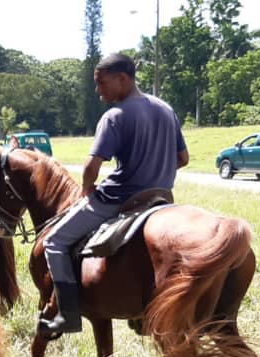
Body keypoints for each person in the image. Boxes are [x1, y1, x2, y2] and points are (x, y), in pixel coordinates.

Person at [38, 52, 188, 335]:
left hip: (120, 198)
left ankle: (67, 315)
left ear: (123, 79)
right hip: (160, 196)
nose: (98, 91)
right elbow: (183, 158)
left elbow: (92, 165)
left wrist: (87, 189)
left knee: (54, 242)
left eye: (102, 83)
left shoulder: (115, 116)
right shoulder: (167, 110)